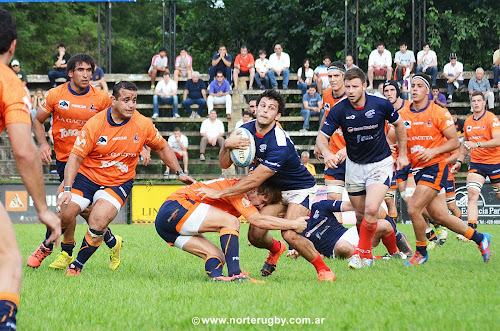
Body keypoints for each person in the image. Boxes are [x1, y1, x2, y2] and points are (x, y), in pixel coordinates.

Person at [197, 89, 335, 282]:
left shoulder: (279, 142)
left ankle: (324, 270)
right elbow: (224, 164)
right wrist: (226, 145)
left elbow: (254, 180)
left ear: (277, 116)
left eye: (271, 108)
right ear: (256, 109)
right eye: (262, 106)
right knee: (255, 235)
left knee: (290, 233)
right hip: (275, 190)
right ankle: (276, 249)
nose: (265, 111)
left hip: (299, 189)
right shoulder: (244, 131)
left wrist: (220, 193)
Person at [58, 81, 194, 276]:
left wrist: (179, 171)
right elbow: (76, 156)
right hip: (88, 176)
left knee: (97, 221)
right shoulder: (96, 123)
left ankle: (76, 266)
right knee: (64, 213)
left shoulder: (142, 124)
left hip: (118, 181)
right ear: (113, 100)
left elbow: (162, 147)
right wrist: (68, 188)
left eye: (135, 100)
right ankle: (106, 243)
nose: (131, 105)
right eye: (126, 100)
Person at [28, 53, 128, 271]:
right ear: (70, 73)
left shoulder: (101, 98)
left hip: (89, 161)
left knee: (66, 203)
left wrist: (144, 146)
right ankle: (111, 241)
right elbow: (37, 119)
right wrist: (44, 144)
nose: (86, 74)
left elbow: (125, 118)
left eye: (89, 70)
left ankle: (52, 248)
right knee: (80, 209)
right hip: (64, 159)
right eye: (81, 70)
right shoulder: (56, 94)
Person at [0, 9, 61, 329]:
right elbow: (24, 152)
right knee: (8, 257)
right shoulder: (10, 83)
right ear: (13, 46)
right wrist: (43, 210)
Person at [316, 67, 409, 269]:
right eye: (347, 86)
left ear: (364, 86)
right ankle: (371, 251)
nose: (350, 90)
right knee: (360, 216)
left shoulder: (380, 104)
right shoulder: (339, 109)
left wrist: (402, 155)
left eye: (355, 86)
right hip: (354, 167)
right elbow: (322, 137)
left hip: (380, 164)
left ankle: (361, 254)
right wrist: (328, 153)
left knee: (372, 208)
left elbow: (400, 126)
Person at [399, 74, 491, 265]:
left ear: (427, 91)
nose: (414, 89)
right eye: (411, 86)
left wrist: (433, 152)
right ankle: (480, 238)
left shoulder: (439, 113)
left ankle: (421, 252)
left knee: (414, 207)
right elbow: (393, 136)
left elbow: (454, 143)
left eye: (418, 86)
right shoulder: (404, 113)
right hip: (418, 170)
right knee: (440, 216)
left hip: (436, 167)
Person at [155, 179, 307, 282]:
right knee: (231, 222)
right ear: (255, 190)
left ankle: (218, 279)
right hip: (176, 206)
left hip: (164, 226)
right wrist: (293, 224)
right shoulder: (238, 189)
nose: (260, 208)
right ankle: (236, 274)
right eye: (262, 203)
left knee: (216, 256)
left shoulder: (235, 190)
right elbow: (258, 220)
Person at [451, 91, 500, 234]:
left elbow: (498, 140)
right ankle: (471, 231)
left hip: (495, 162)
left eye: (479, 100)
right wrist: (459, 161)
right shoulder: (468, 122)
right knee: (472, 194)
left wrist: (478, 144)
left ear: (484, 103)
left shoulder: (492, 119)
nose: (477, 103)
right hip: (477, 163)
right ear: (471, 104)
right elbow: (465, 144)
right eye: (474, 101)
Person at [288, 200, 404, 260]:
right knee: (342, 246)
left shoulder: (318, 206)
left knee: (385, 225)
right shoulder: (293, 229)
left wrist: (367, 207)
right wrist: (296, 253)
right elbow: (294, 251)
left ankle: (395, 255)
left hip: (349, 233)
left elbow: (348, 206)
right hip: (336, 248)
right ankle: (378, 258)